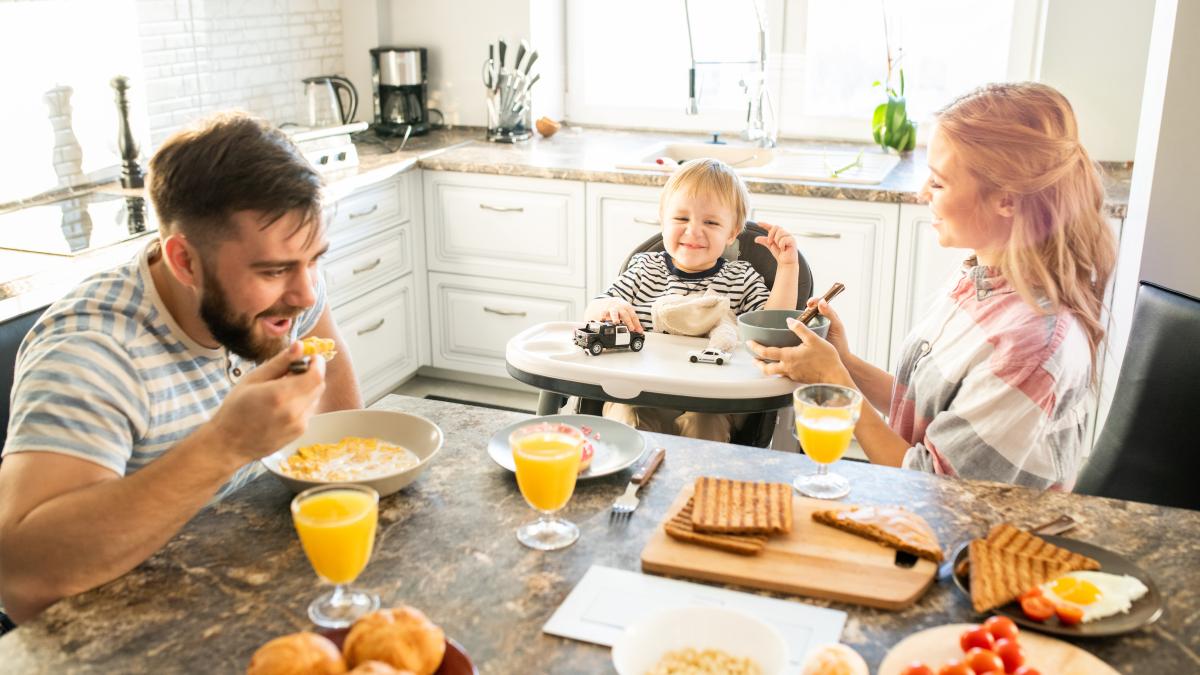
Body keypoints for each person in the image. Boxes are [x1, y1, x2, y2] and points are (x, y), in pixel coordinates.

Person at [0, 112, 363, 623]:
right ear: (186, 262)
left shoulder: (289, 294)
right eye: (273, 270)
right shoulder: (92, 352)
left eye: (313, 260)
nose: (305, 294)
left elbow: (342, 432)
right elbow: (23, 578)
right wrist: (228, 443)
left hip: (241, 587)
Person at [751, 83, 1117, 489]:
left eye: (939, 183)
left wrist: (838, 382)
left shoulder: (1030, 341)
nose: (922, 192)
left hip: (973, 543)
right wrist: (844, 363)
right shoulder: (980, 279)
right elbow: (929, 413)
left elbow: (935, 487)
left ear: (1008, 200)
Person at [585, 158, 799, 441]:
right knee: (624, 413)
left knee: (703, 421)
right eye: (681, 218)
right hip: (643, 392)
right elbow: (593, 311)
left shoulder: (741, 278)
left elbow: (772, 333)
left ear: (732, 232)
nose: (693, 230)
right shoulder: (644, 270)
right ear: (662, 219)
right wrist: (609, 307)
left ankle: (697, 482)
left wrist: (787, 268)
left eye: (710, 222)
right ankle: (630, 481)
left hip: (715, 401)